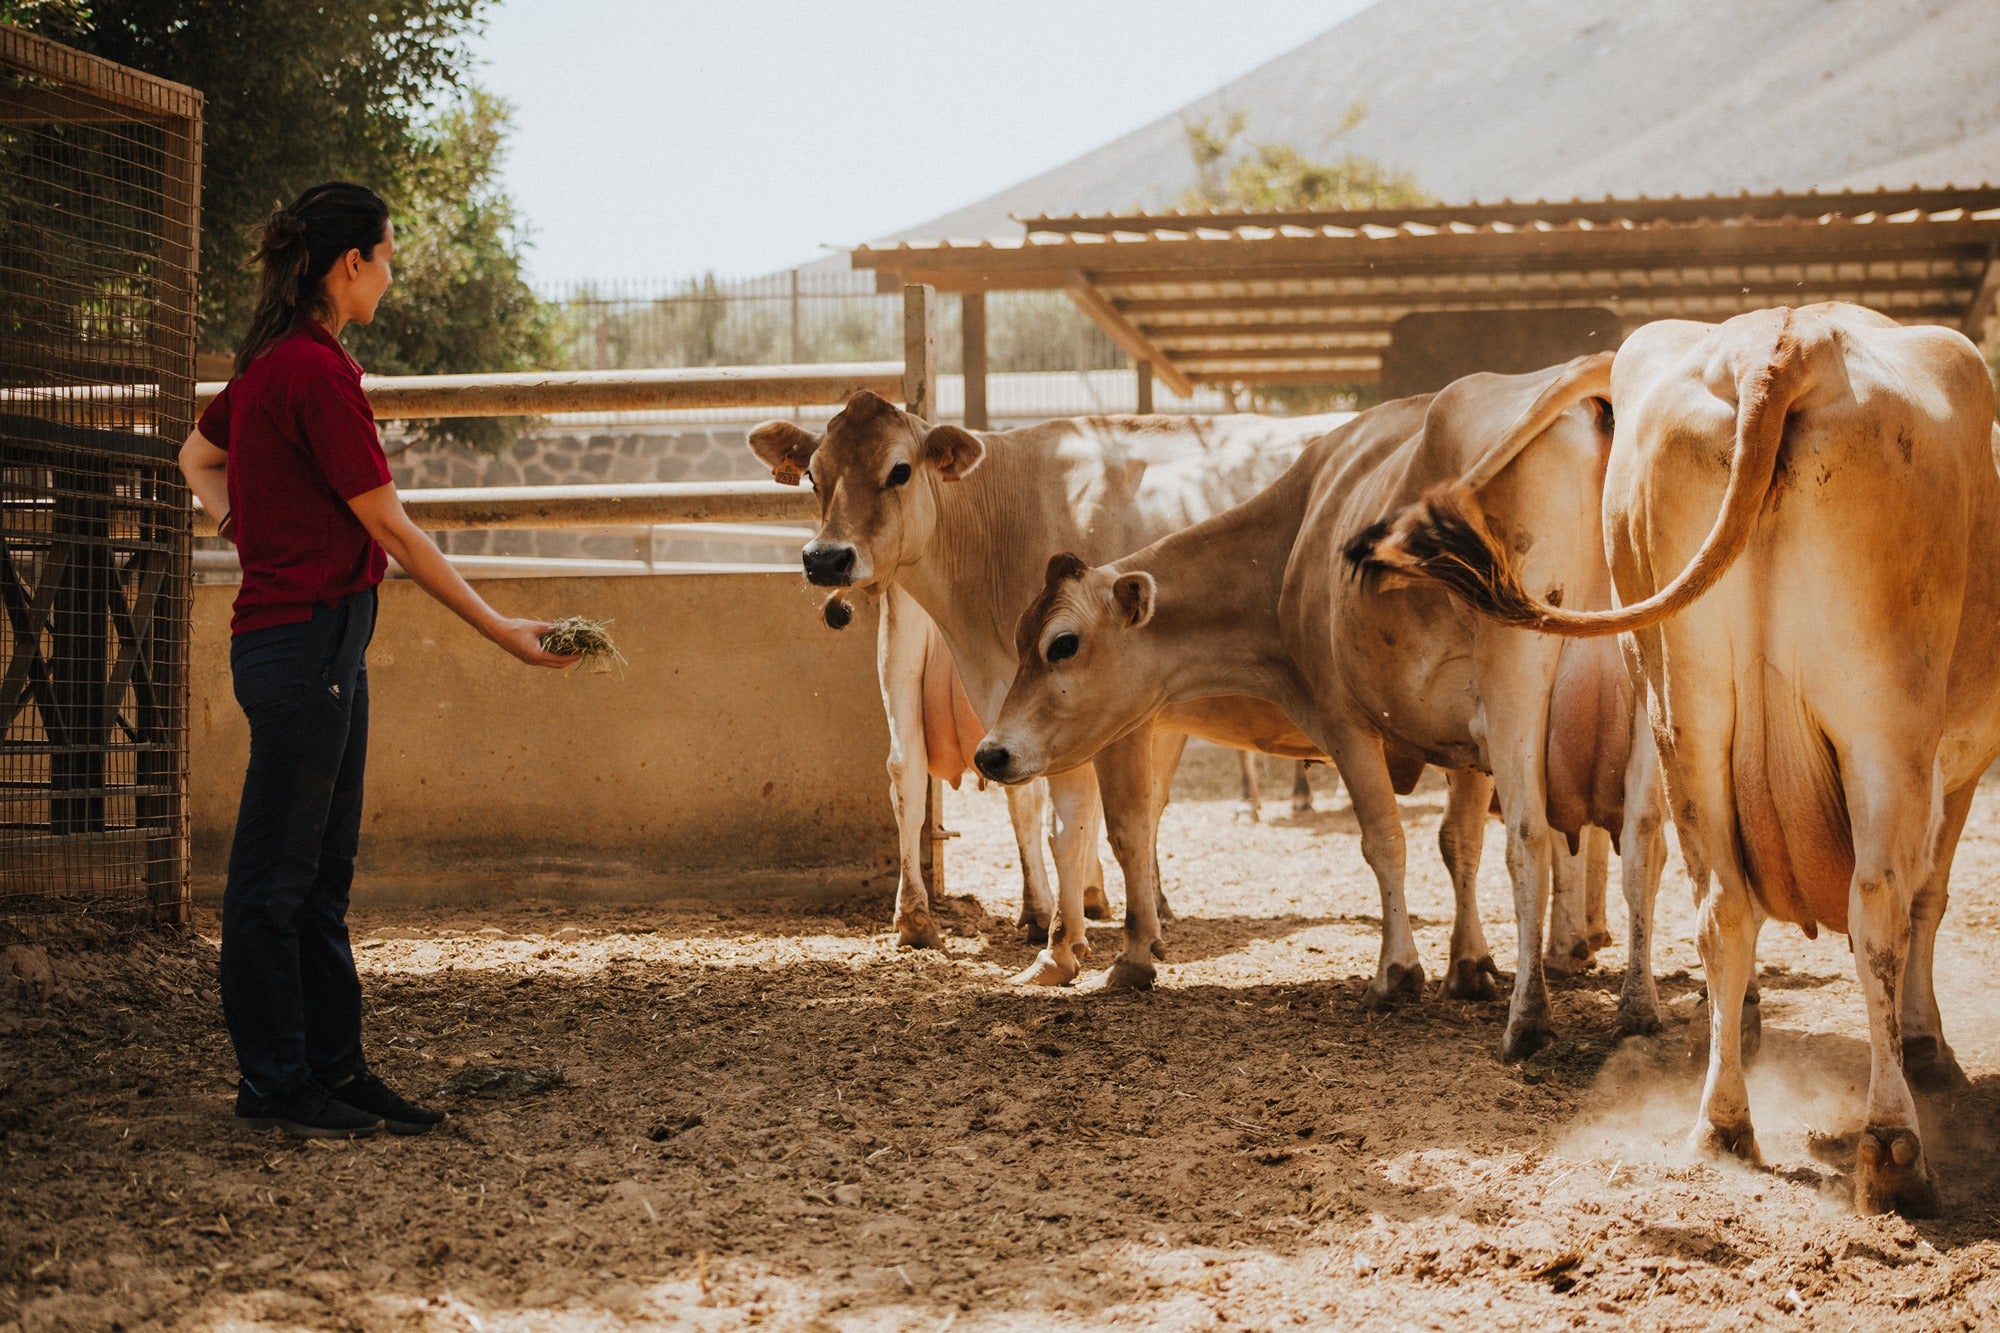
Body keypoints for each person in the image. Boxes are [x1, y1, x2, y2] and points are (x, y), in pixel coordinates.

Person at [178, 182, 577, 1140]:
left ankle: (334, 1069)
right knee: (274, 881)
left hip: (319, 642)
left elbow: (195, 459)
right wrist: (504, 630)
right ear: (348, 264)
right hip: (305, 640)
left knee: (320, 873)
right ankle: (276, 1085)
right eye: (388, 257)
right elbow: (393, 526)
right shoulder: (315, 373)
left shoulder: (278, 364)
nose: (391, 277)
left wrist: (253, 530)